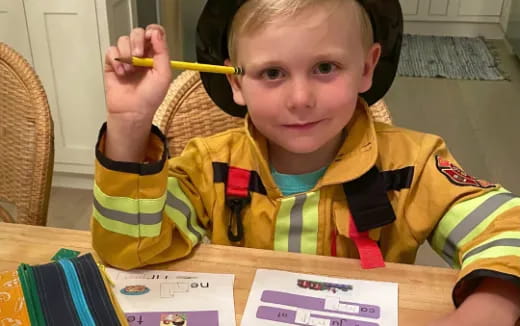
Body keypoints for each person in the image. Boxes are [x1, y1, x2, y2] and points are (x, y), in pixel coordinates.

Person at [93, 0, 520, 324]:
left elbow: (508, 230)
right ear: (237, 82)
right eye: (273, 73)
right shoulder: (208, 167)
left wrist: (490, 308)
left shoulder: (415, 165)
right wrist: (129, 127)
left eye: (325, 67)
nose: (300, 99)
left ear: (367, 68)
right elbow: (130, 252)